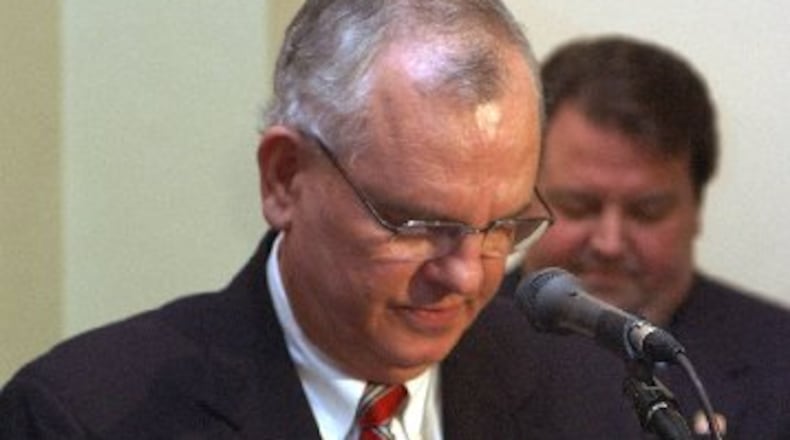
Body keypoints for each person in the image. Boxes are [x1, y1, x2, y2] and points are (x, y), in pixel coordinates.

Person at [0, 1, 556, 438]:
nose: (463, 275)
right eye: (416, 225)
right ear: (284, 178)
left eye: (503, 226)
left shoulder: (591, 397)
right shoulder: (82, 417)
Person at [499, 35, 790, 438]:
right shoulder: (447, 338)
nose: (609, 243)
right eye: (579, 206)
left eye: (646, 211)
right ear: (525, 196)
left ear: (697, 210)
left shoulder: (780, 360)